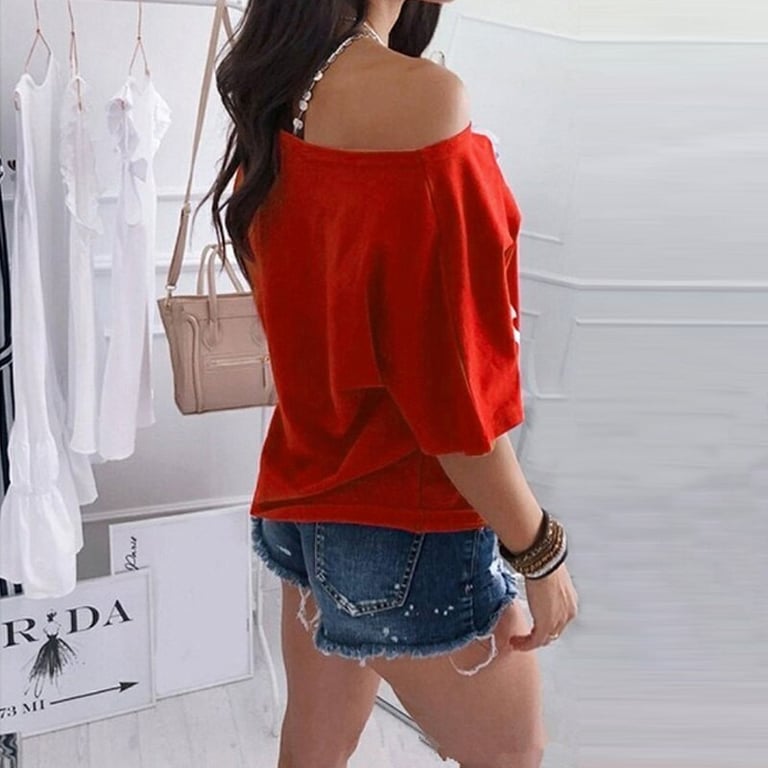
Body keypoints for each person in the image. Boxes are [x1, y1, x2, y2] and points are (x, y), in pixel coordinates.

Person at [207, 2, 579, 766]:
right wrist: (539, 550)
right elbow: (453, 404)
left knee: (312, 746)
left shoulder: (279, 88)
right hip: (408, 527)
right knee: (513, 757)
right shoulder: (423, 100)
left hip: (306, 497)